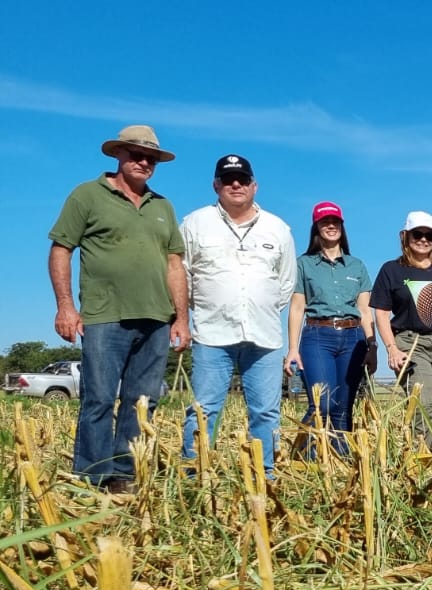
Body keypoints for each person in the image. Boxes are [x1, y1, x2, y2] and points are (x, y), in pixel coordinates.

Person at [48, 125, 188, 493]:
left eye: (151, 158)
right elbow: (61, 248)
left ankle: (124, 474)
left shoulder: (163, 206)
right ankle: (92, 475)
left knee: (143, 401)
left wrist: (182, 318)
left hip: (156, 318)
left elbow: (175, 264)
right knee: (98, 398)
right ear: (119, 155)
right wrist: (66, 306)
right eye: (136, 154)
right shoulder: (87, 195)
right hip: (104, 315)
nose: (144, 162)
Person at [179, 154, 296, 476]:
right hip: (211, 334)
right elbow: (181, 274)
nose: (235, 185)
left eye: (242, 180)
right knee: (203, 411)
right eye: (228, 179)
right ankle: (194, 476)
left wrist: (264, 305)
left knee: (266, 412)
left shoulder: (278, 228)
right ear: (216, 185)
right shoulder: (195, 223)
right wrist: (200, 308)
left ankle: (265, 476)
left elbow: (285, 282)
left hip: (265, 336)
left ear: (254, 186)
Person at [372, 212, 432, 450]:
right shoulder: (391, 270)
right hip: (412, 343)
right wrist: (391, 348)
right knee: (421, 404)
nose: (423, 240)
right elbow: (381, 314)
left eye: (429, 235)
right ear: (405, 236)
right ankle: (420, 459)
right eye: (418, 234)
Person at [285, 201, 373, 455]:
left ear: (342, 227)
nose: (331, 226)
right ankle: (305, 459)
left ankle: (341, 463)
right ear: (316, 228)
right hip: (317, 336)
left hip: (353, 338)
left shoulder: (356, 266)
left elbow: (365, 310)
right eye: (325, 222)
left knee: (343, 407)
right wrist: (292, 348)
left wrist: (372, 345)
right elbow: (297, 307)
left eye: (335, 222)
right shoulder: (304, 264)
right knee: (322, 403)